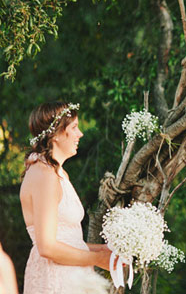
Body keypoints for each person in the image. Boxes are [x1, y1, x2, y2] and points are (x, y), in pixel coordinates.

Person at [20, 102, 112, 294]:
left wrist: (103, 251)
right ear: (56, 134)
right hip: (55, 279)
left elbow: (68, 240)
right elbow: (47, 247)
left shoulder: (58, 173)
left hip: (72, 276)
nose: (80, 134)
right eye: (74, 128)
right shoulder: (44, 174)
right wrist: (97, 260)